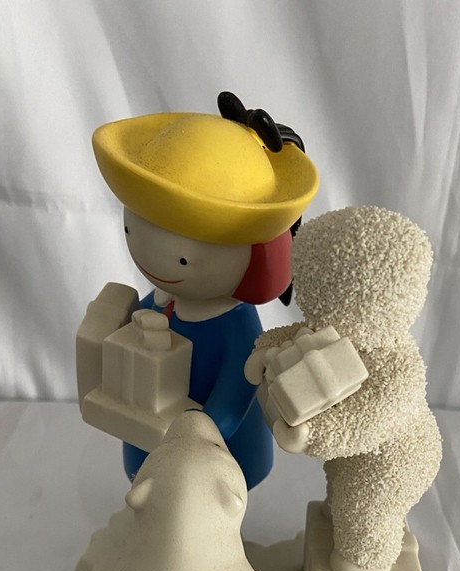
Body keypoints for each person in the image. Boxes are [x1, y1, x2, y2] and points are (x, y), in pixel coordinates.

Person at [91, 92, 319, 489]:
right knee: (147, 490)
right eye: (131, 229)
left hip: (212, 456)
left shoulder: (237, 327)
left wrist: (195, 435)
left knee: (203, 509)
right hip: (147, 430)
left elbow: (233, 399)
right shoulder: (160, 303)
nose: (154, 262)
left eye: (182, 260)